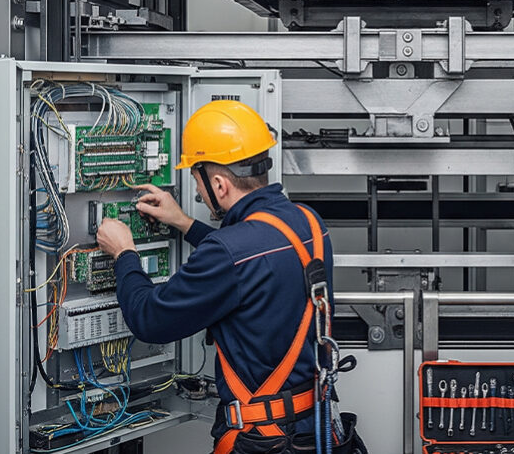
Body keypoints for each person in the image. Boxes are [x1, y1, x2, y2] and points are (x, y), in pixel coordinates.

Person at [96, 100, 346, 453]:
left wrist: (124, 252)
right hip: (316, 429)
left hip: (264, 441)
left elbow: (149, 318)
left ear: (219, 183)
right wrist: (183, 223)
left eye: (197, 179)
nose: (198, 191)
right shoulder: (308, 223)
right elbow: (251, 259)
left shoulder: (229, 253)